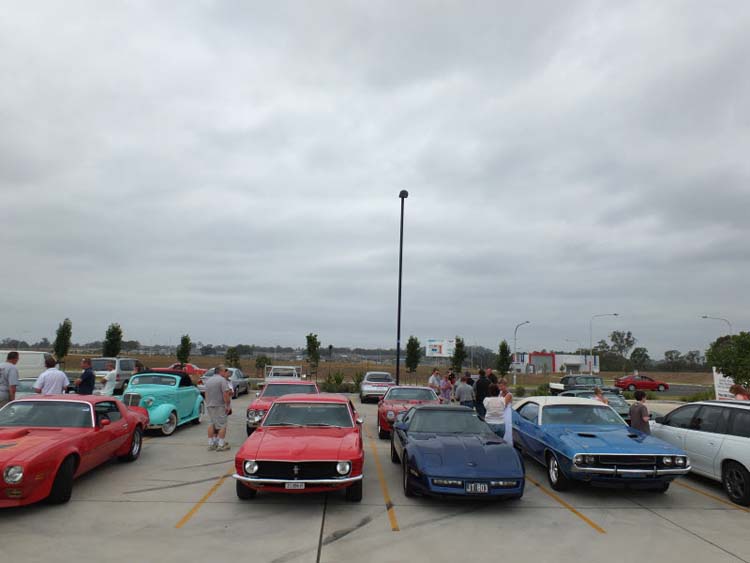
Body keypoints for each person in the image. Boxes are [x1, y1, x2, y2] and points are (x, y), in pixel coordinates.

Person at [205, 365, 233, 451]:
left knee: (211, 424)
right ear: (220, 371)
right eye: (225, 371)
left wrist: (208, 403)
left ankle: (211, 444)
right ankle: (221, 445)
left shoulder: (208, 380)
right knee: (222, 425)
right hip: (220, 406)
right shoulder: (222, 380)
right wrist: (228, 406)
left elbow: (206, 393)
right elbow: (226, 394)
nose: (226, 373)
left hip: (210, 405)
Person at [497, 378, 514, 444]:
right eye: (499, 386)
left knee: (506, 430)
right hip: (500, 414)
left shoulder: (509, 395)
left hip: (506, 415)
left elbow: (503, 406)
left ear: (505, 385)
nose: (500, 388)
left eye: (501, 386)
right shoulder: (500, 393)